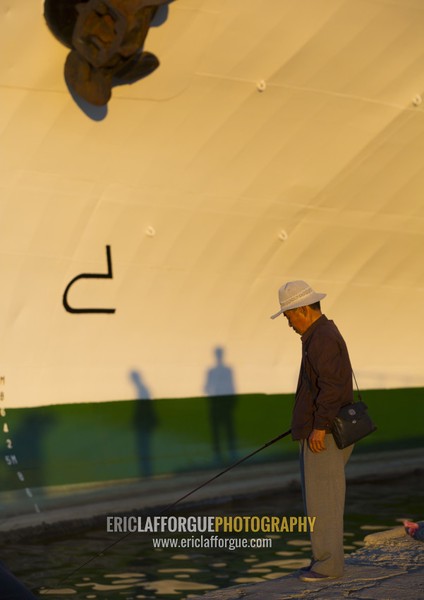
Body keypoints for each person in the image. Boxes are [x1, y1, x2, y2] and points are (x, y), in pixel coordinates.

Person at [271, 280, 354, 582]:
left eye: (288, 315)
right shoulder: (320, 335)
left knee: (324, 501)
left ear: (302, 309)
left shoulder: (321, 338)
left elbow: (331, 387)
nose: (288, 322)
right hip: (323, 430)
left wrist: (318, 427)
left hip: (326, 434)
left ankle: (328, 566)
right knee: (321, 499)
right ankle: (323, 560)